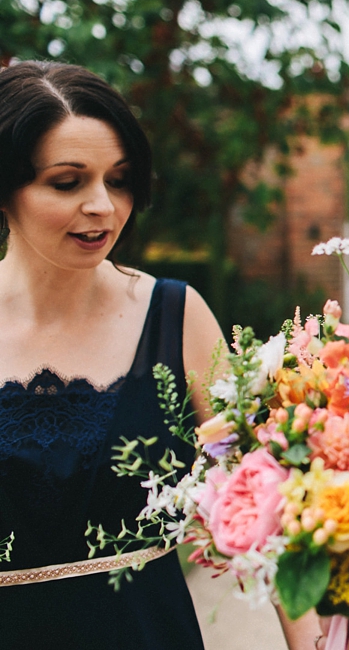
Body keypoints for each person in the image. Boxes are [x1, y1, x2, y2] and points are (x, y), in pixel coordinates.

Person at [0, 61, 225, 648]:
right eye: (67, 182)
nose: (103, 205)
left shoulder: (180, 317)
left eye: (119, 179)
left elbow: (277, 511)